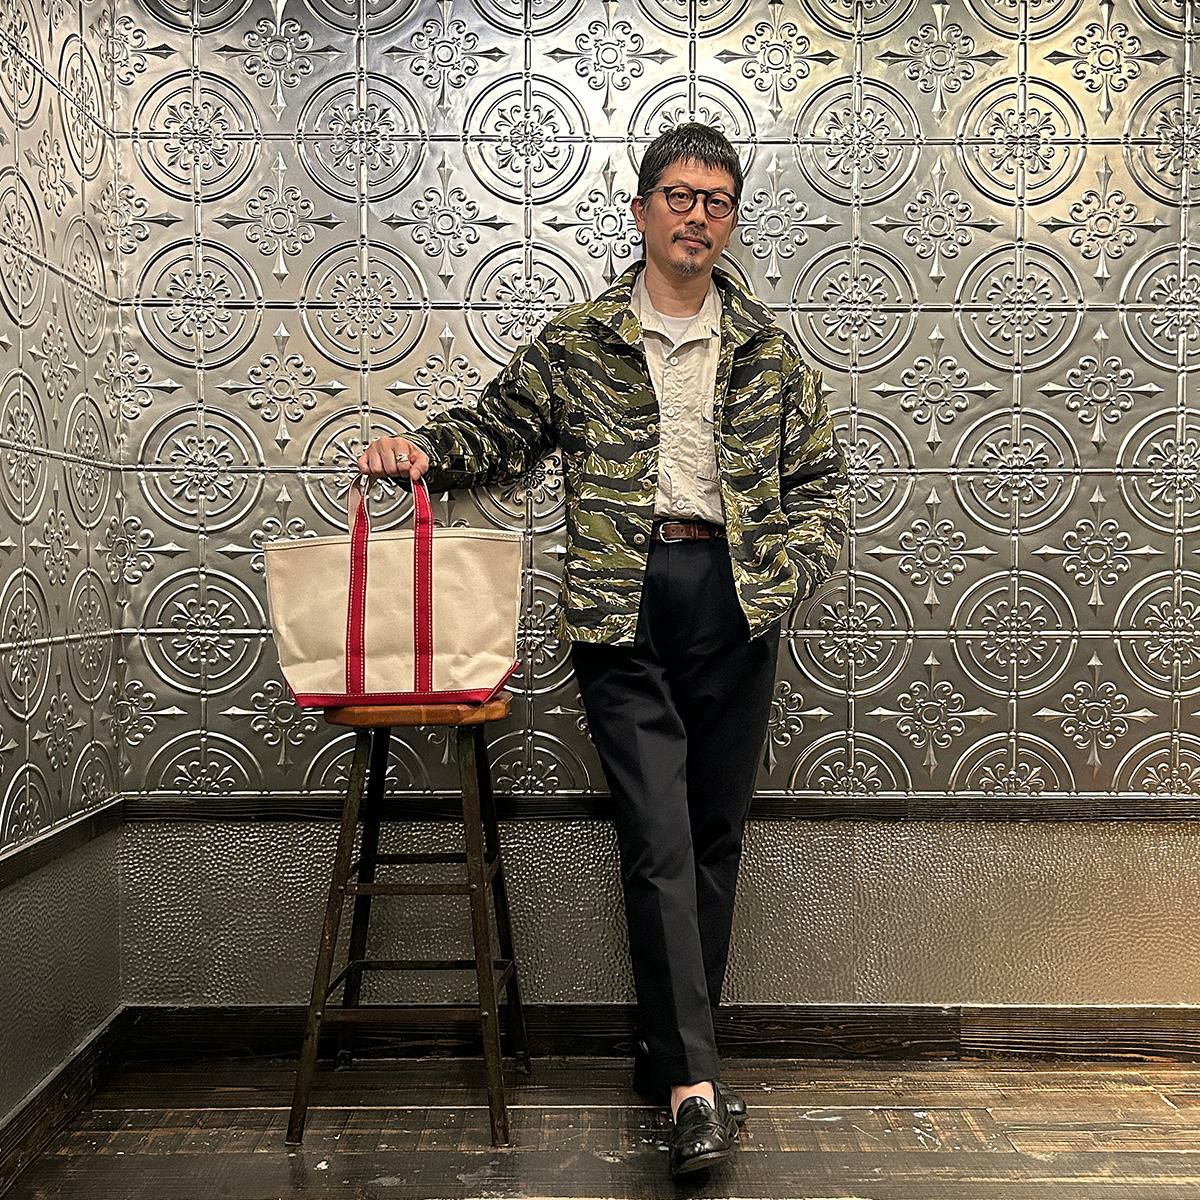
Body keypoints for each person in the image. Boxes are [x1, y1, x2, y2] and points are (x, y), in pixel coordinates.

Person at [357, 122, 848, 1178]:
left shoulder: (767, 350)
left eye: (717, 201)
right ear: (641, 210)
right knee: (658, 836)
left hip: (736, 599)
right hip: (619, 606)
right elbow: (498, 430)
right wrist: (420, 452)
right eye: (679, 196)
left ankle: (670, 1055)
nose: (697, 216)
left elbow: (823, 483)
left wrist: (787, 573)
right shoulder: (580, 341)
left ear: (731, 221)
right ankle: (695, 1090)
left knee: (712, 838)